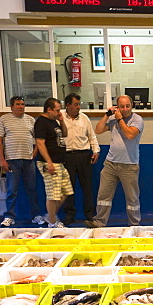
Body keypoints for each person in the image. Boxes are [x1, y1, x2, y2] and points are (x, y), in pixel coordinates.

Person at [93, 94, 144, 227]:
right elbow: (97, 130)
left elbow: (130, 134)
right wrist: (106, 115)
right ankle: (99, 222)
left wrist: (120, 119)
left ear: (132, 106)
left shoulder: (137, 120)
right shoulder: (113, 119)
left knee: (132, 198)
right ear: (118, 107)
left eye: (127, 106)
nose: (125, 108)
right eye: (122, 106)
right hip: (110, 163)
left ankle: (134, 224)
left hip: (129, 165)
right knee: (103, 195)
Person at [0, 95, 45, 227]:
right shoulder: (4, 119)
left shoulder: (30, 120)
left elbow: (38, 139)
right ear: (11, 106)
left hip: (28, 160)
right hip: (11, 160)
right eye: (17, 104)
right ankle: (9, 217)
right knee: (12, 190)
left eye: (22, 104)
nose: (21, 107)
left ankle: (36, 216)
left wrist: (34, 153)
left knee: (32, 190)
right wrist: (2, 159)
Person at [59, 92, 99, 228]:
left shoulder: (84, 118)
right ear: (68, 105)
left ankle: (89, 214)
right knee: (68, 188)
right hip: (66, 156)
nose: (78, 107)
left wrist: (96, 151)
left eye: (79, 105)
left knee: (87, 187)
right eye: (75, 104)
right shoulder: (60, 118)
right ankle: (69, 215)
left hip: (83, 155)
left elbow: (91, 136)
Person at [33, 96, 73, 228]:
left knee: (66, 191)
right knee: (53, 194)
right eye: (57, 110)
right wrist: (49, 162)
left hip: (60, 162)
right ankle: (52, 222)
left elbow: (65, 134)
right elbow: (40, 143)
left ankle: (50, 215)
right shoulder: (41, 122)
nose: (59, 113)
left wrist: (61, 121)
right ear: (49, 109)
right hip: (48, 163)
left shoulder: (54, 121)